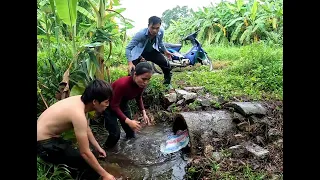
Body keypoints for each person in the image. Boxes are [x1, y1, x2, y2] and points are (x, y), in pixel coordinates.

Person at [37, 79, 116, 180]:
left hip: (46, 137)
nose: (107, 105)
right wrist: (105, 175)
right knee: (89, 166)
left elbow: (86, 128)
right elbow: (85, 152)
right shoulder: (78, 114)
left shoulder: (81, 101)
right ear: (95, 102)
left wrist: (98, 147)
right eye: (106, 101)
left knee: (80, 157)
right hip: (43, 144)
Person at [103, 62, 152, 149]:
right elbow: (114, 106)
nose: (145, 82)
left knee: (131, 133)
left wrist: (144, 113)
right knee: (115, 135)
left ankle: (127, 151)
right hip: (109, 107)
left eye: (148, 79)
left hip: (123, 104)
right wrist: (129, 121)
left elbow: (138, 97)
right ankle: (105, 151)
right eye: (144, 79)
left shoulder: (141, 85)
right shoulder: (122, 85)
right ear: (135, 74)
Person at [125, 16, 174, 89]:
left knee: (165, 63)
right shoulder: (140, 34)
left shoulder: (161, 32)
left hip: (151, 51)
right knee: (132, 71)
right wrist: (130, 63)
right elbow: (128, 48)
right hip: (139, 53)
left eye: (157, 28)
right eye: (152, 28)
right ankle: (130, 88)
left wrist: (165, 51)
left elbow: (160, 43)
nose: (155, 31)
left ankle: (167, 83)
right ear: (148, 26)